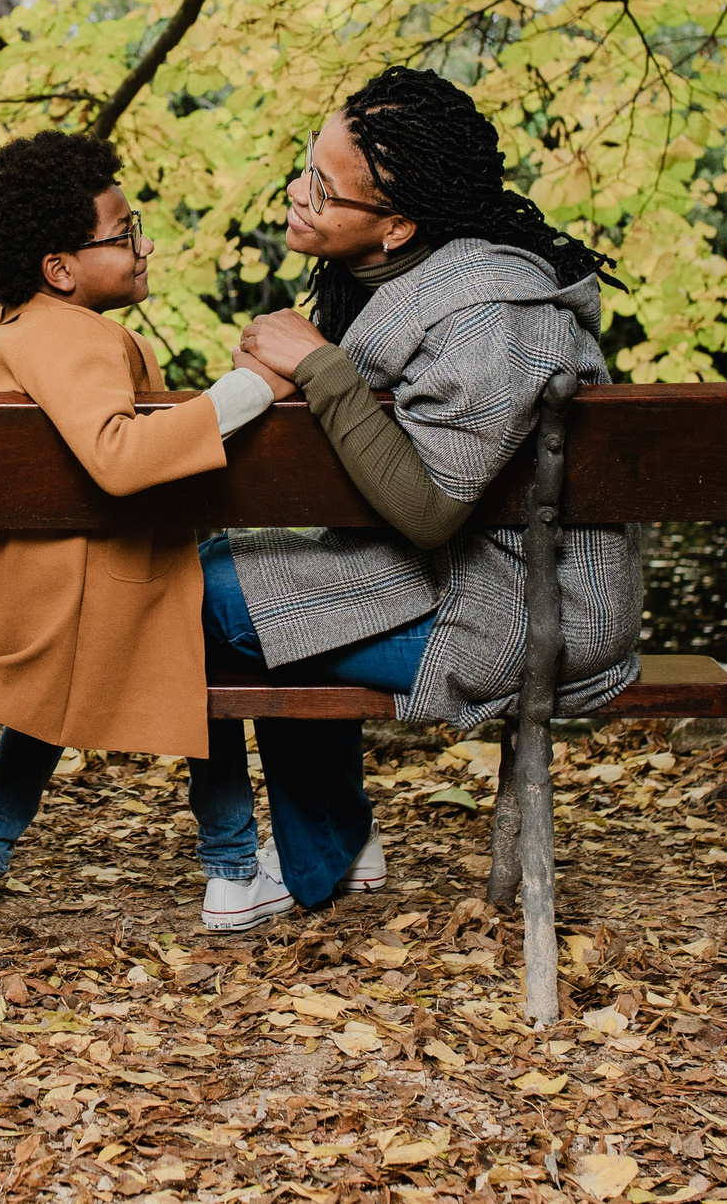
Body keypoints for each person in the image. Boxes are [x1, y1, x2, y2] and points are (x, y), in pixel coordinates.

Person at [211, 66, 641, 919]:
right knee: (240, 574)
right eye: (306, 164)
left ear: (398, 226)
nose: (296, 191)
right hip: (472, 581)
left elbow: (429, 509)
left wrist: (320, 368)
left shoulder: (489, 317)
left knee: (208, 596)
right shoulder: (406, 287)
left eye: (322, 188)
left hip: (526, 613)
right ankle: (334, 844)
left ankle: (300, 857)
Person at [0, 134, 288, 925]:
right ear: (60, 268)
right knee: (194, 629)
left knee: (78, 668)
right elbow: (117, 457)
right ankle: (232, 870)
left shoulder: (10, 334)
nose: (143, 245)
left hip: (9, 601)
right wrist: (248, 389)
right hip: (66, 607)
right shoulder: (74, 335)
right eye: (124, 234)